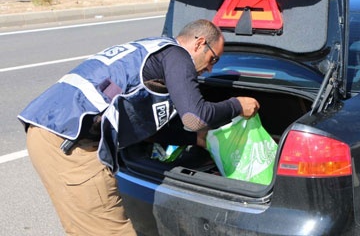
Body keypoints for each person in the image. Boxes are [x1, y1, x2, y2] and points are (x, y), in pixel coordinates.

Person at [17, 19, 260, 235]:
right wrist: (236, 105)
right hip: (70, 145)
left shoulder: (153, 48)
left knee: (83, 227)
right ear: (199, 43)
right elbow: (195, 117)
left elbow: (145, 123)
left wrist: (196, 139)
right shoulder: (177, 56)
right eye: (212, 59)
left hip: (47, 131)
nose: (210, 69)